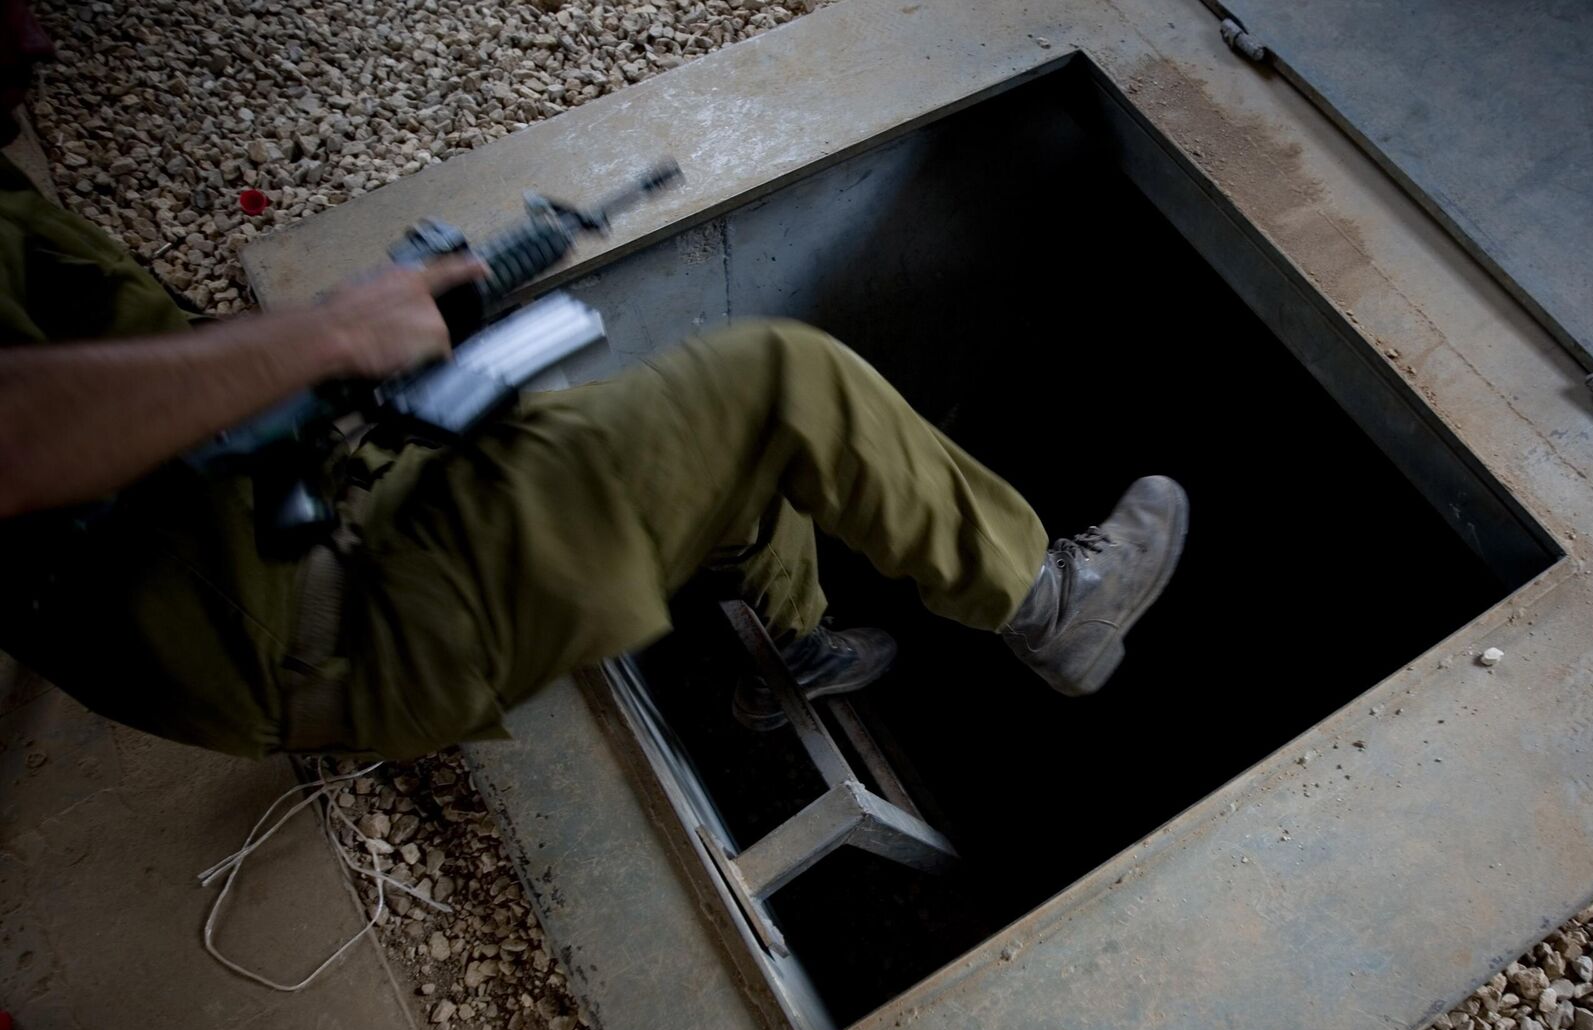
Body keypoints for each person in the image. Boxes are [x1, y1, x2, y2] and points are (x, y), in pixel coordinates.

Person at [0, 118, 1187, 760]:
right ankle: (1046, 601)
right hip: (334, 611)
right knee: (784, 378)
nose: (43, 38)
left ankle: (798, 646)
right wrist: (325, 336)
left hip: (322, 514)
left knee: (733, 445)